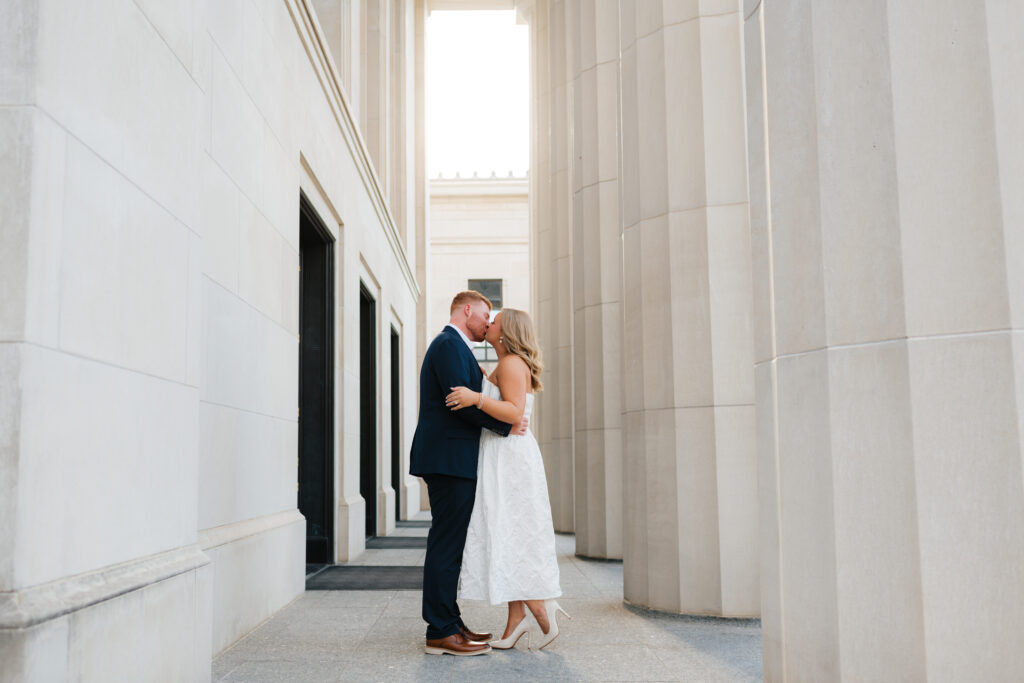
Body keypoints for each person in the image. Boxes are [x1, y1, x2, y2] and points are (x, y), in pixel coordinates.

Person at [409, 291, 527, 656]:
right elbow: (457, 404)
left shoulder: (458, 348)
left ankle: (450, 621)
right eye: (485, 314)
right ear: (467, 310)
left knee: (451, 544)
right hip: (448, 461)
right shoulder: (448, 345)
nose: (487, 323)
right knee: (446, 545)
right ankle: (440, 631)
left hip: (454, 460)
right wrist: (507, 427)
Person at [446, 308, 570, 650]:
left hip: (511, 458)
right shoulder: (507, 364)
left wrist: (476, 397)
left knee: (510, 529)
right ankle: (515, 623)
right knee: (508, 529)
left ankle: (539, 607)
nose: (488, 323)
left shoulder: (513, 363)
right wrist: (487, 381)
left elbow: (514, 412)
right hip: (504, 453)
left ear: (506, 331)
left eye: (495, 321)